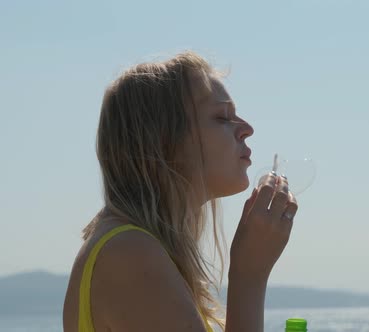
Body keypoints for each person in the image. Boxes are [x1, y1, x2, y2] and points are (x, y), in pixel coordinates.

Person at [62, 51, 298, 332]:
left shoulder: (135, 247)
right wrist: (249, 276)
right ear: (162, 140)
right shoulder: (129, 254)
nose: (247, 129)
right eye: (223, 117)